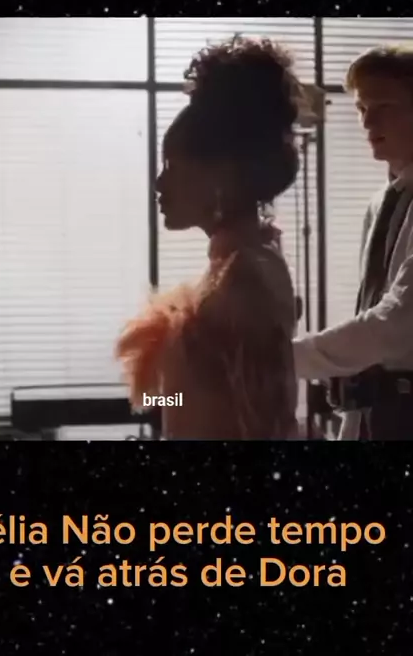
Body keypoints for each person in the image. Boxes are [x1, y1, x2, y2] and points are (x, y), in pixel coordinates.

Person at [115, 34, 313, 440]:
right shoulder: (235, 263)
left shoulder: (245, 275)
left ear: (219, 177)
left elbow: (266, 422)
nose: (159, 184)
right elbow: (192, 398)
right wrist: (156, 399)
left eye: (173, 167)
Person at [294, 46, 413, 440]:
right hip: (374, 413)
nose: (367, 122)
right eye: (362, 108)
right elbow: (373, 308)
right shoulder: (382, 203)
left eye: (384, 107)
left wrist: (283, 358)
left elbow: (397, 323)